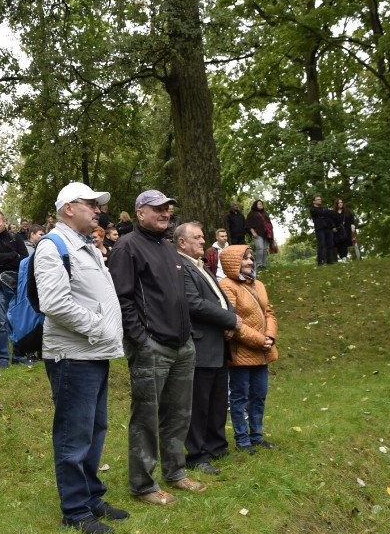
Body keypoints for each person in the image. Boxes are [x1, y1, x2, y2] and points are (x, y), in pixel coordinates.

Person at [35, 182, 128, 534]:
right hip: (73, 356)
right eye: (91, 204)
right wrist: (98, 328)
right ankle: (74, 511)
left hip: (94, 352)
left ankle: (90, 498)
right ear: (69, 208)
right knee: (74, 436)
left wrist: (103, 334)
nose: (98, 210)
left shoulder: (86, 246)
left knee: (95, 429)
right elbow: (55, 304)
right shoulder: (53, 246)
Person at [108, 189, 205, 507]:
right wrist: (141, 339)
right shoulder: (127, 246)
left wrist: (187, 335)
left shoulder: (167, 247)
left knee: (179, 415)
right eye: (157, 208)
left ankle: (176, 473)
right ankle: (143, 485)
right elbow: (122, 299)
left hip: (182, 346)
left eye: (168, 209)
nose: (165, 213)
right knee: (146, 418)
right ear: (139, 212)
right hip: (152, 348)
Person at [176, 222, 241, 475]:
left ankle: (217, 446)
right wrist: (230, 320)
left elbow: (221, 299)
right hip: (201, 344)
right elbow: (194, 303)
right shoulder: (180, 267)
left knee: (216, 400)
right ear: (182, 242)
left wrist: (231, 318)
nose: (203, 241)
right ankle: (197, 455)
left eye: (203, 237)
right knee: (199, 403)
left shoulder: (201, 265)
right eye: (198, 237)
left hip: (217, 343)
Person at [218, 245, 278, 454]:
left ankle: (257, 436)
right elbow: (232, 322)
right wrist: (259, 340)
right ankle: (242, 440)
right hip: (241, 352)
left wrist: (269, 336)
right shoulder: (226, 285)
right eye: (245, 259)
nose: (250, 262)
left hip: (262, 351)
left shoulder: (258, 284)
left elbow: (269, 312)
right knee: (239, 397)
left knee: (259, 395)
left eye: (251, 258)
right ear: (233, 262)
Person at [0, 210, 29, 368]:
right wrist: (12, 255)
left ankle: (18, 355)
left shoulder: (16, 238)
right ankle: (3, 358)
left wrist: (4, 257)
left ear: (4, 221)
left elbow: (24, 259)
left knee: (17, 321)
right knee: (1, 322)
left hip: (15, 286)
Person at [245, 199, 274, 270]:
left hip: (266, 234)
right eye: (259, 204)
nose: (260, 205)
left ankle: (263, 265)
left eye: (261, 204)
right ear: (255, 205)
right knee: (260, 248)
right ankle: (258, 265)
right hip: (257, 234)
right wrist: (253, 232)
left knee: (264, 249)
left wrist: (271, 234)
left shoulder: (265, 213)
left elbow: (269, 224)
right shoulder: (252, 213)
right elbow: (248, 224)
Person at [311, 195, 335, 266]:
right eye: (318, 199)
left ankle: (329, 261)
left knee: (330, 244)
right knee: (321, 244)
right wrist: (325, 213)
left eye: (320, 199)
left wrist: (323, 215)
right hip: (319, 228)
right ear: (314, 201)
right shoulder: (312, 209)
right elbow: (320, 213)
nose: (320, 200)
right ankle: (320, 261)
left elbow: (331, 213)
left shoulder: (325, 208)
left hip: (328, 228)